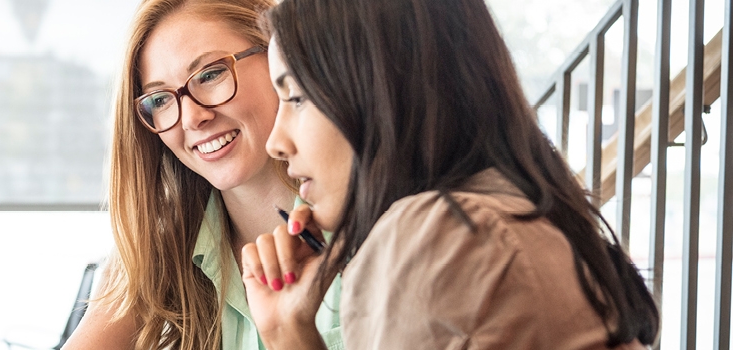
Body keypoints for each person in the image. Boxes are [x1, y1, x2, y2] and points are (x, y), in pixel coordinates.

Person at [244, 0, 660, 348]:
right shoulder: (516, 216)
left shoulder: (438, 235)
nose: (276, 143)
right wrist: (289, 333)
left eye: (296, 96)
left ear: (384, 90)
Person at [63, 0, 343, 349]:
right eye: (160, 100)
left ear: (279, 58)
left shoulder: (370, 223)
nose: (193, 117)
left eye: (210, 74)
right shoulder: (156, 252)